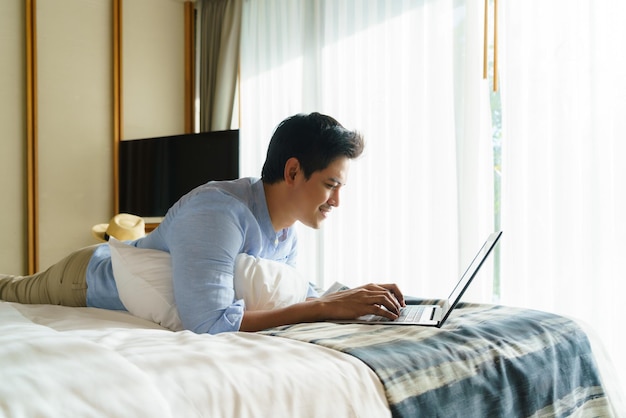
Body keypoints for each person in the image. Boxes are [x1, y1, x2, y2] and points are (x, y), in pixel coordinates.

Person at [0, 112, 405, 334]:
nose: (336, 200)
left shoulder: (285, 232)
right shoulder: (217, 214)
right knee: (9, 289)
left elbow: (293, 294)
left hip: (103, 265)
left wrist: (358, 299)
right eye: (331, 184)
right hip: (84, 276)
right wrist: (320, 308)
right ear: (294, 171)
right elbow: (210, 322)